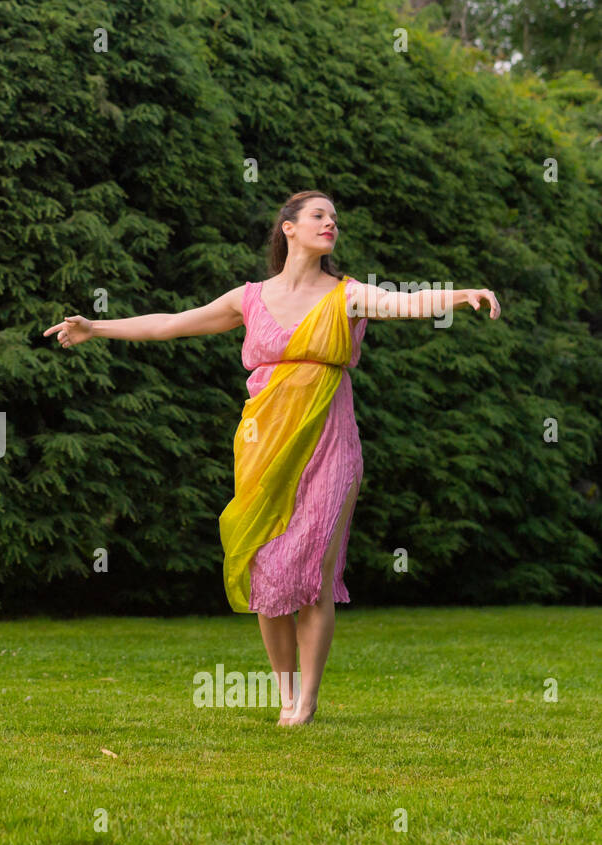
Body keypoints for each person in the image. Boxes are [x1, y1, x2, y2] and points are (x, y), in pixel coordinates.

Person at [45, 190, 500, 725]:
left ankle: (306, 701)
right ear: (288, 228)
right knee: (267, 570)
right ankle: (284, 692)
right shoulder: (249, 298)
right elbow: (171, 323)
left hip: (330, 443)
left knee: (314, 568)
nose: (330, 223)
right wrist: (96, 327)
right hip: (263, 445)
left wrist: (460, 295)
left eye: (334, 218)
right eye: (318, 216)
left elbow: (406, 301)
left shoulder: (347, 295)